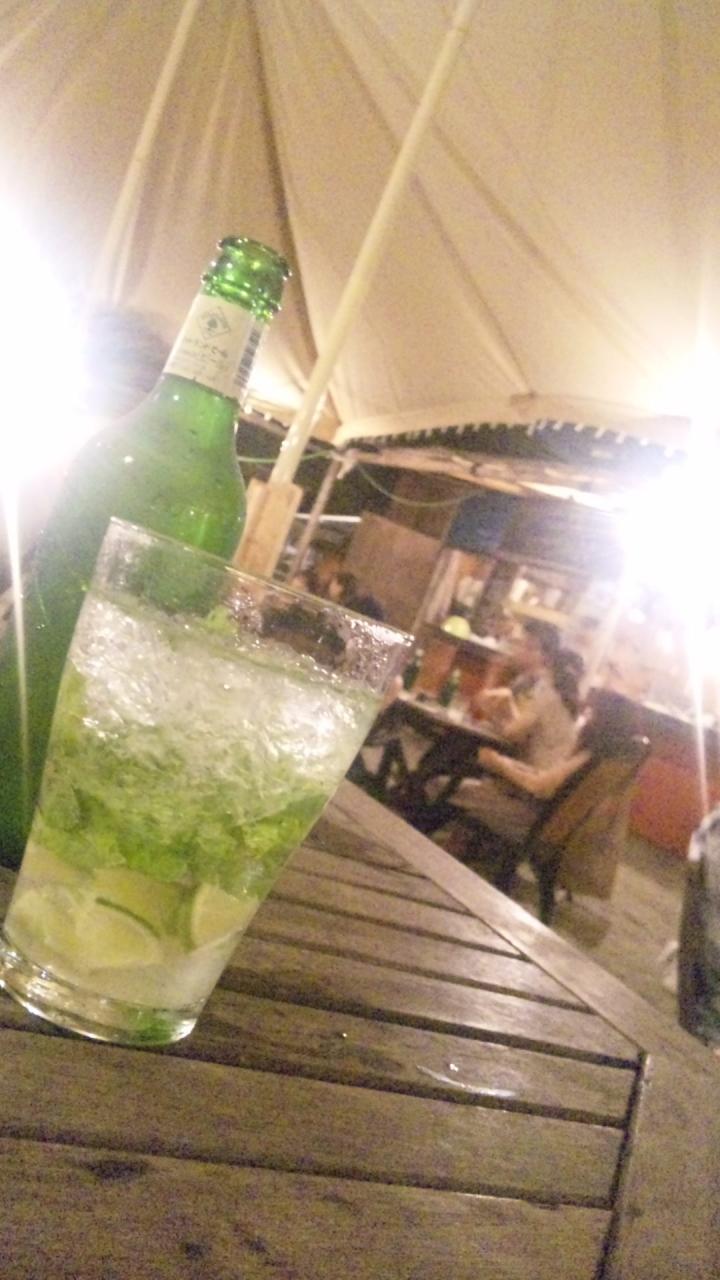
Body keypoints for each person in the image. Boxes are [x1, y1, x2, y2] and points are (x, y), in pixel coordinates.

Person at [417, 686, 639, 878]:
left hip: (527, 822)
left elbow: (539, 787)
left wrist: (498, 764)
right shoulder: (603, 759)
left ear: (602, 721)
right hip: (546, 825)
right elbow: (547, 779)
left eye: (591, 714)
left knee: (444, 785)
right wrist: (507, 764)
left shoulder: (587, 757)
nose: (586, 720)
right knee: (467, 785)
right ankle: (444, 845)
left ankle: (417, 838)